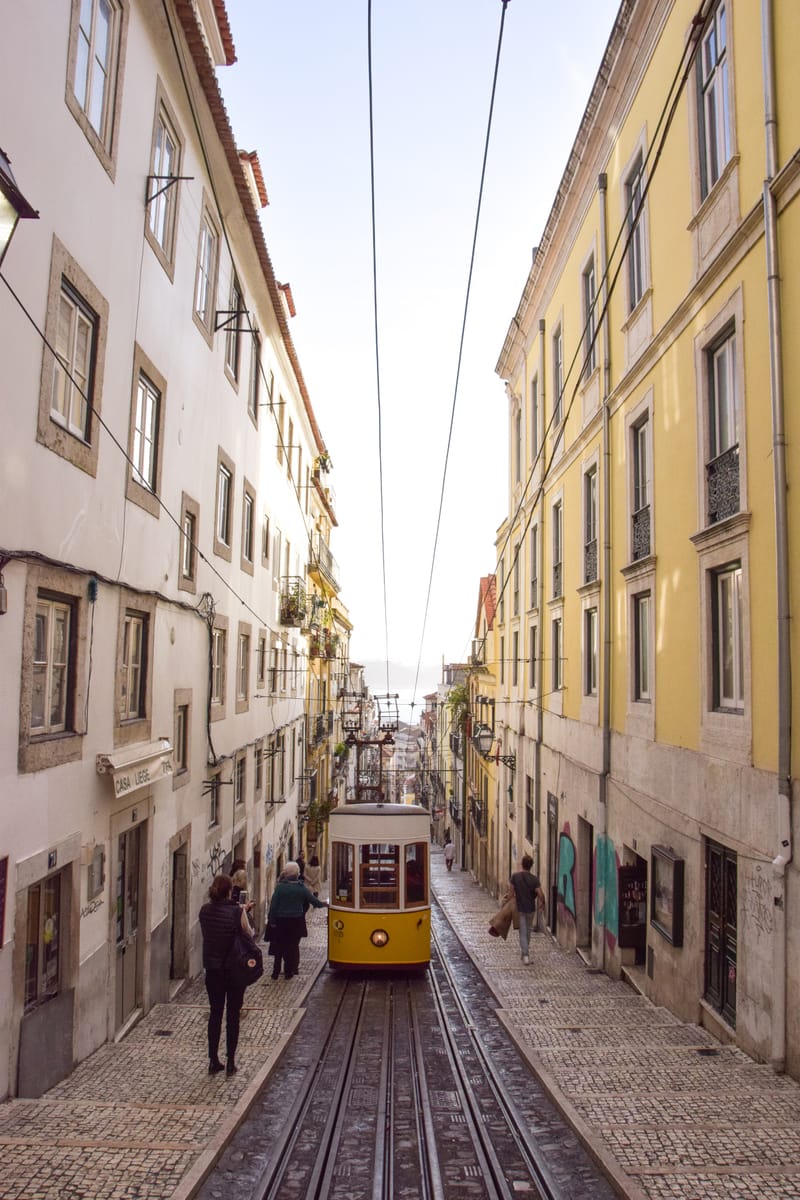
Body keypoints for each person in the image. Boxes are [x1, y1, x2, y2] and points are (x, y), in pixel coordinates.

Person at [198, 873, 254, 1076]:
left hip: (213, 970)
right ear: (230, 891)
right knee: (232, 1015)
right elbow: (249, 934)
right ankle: (231, 1062)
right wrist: (244, 912)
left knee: (215, 1013)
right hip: (234, 970)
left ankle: (213, 1060)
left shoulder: (204, 911)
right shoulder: (236, 912)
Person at [267, 861, 327, 980]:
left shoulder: (280, 888)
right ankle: (289, 972)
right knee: (292, 947)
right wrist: (325, 904)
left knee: (279, 947)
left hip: (280, 922)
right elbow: (314, 901)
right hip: (296, 922)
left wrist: (272, 921)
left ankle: (275, 972)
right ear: (297, 874)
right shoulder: (301, 889)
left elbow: (273, 906)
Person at [509, 855, 545, 965]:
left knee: (523, 932)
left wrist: (510, 903)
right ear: (531, 866)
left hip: (520, 909)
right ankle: (524, 953)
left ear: (522, 864)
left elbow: (511, 893)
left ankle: (525, 955)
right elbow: (541, 894)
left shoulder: (515, 877)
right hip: (531, 909)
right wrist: (542, 903)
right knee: (528, 931)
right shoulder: (534, 879)